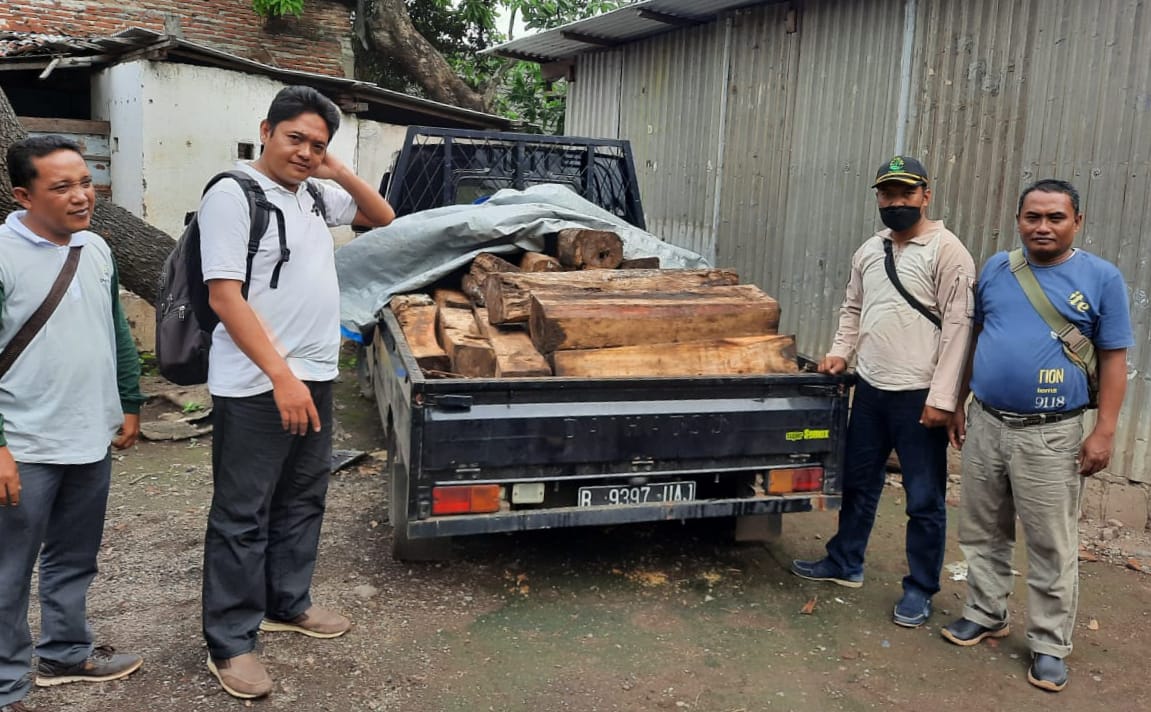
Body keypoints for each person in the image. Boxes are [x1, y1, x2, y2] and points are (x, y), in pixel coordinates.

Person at [198, 85, 395, 700]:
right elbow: (223, 295)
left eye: (318, 144)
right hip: (259, 383)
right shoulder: (233, 194)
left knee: (303, 496)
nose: (306, 152)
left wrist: (336, 167)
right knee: (242, 512)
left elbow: (382, 217)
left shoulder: (313, 193)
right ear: (265, 130)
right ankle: (231, 642)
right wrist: (281, 377)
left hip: (314, 375)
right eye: (296, 139)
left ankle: (287, 601)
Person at [941, 179, 1132, 692]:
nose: (1042, 227)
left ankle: (1049, 644)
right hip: (987, 423)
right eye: (1032, 217)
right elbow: (978, 337)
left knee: (1051, 543)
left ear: (1077, 221)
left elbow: (1114, 358)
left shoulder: (1101, 278)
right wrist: (959, 402)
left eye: (1055, 217)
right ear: (1019, 219)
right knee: (982, 531)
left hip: (1052, 436)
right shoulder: (998, 269)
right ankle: (985, 612)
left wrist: (1105, 431)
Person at [790, 155, 975, 628]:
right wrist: (839, 353)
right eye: (887, 194)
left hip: (919, 397)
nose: (896, 203)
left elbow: (959, 328)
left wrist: (945, 398)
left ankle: (920, 589)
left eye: (906, 194)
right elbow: (852, 308)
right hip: (869, 389)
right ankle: (845, 561)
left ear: (926, 195)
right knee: (858, 482)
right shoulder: (870, 250)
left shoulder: (947, 251)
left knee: (924, 499)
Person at [0, 136, 145, 712]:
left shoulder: (97, 249)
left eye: (85, 182)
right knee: (9, 569)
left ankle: (64, 652)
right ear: (22, 194)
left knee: (73, 556)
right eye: (61, 187)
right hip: (26, 445)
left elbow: (115, 330)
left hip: (89, 436)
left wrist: (128, 401)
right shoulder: (4, 255)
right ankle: (7, 683)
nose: (81, 196)